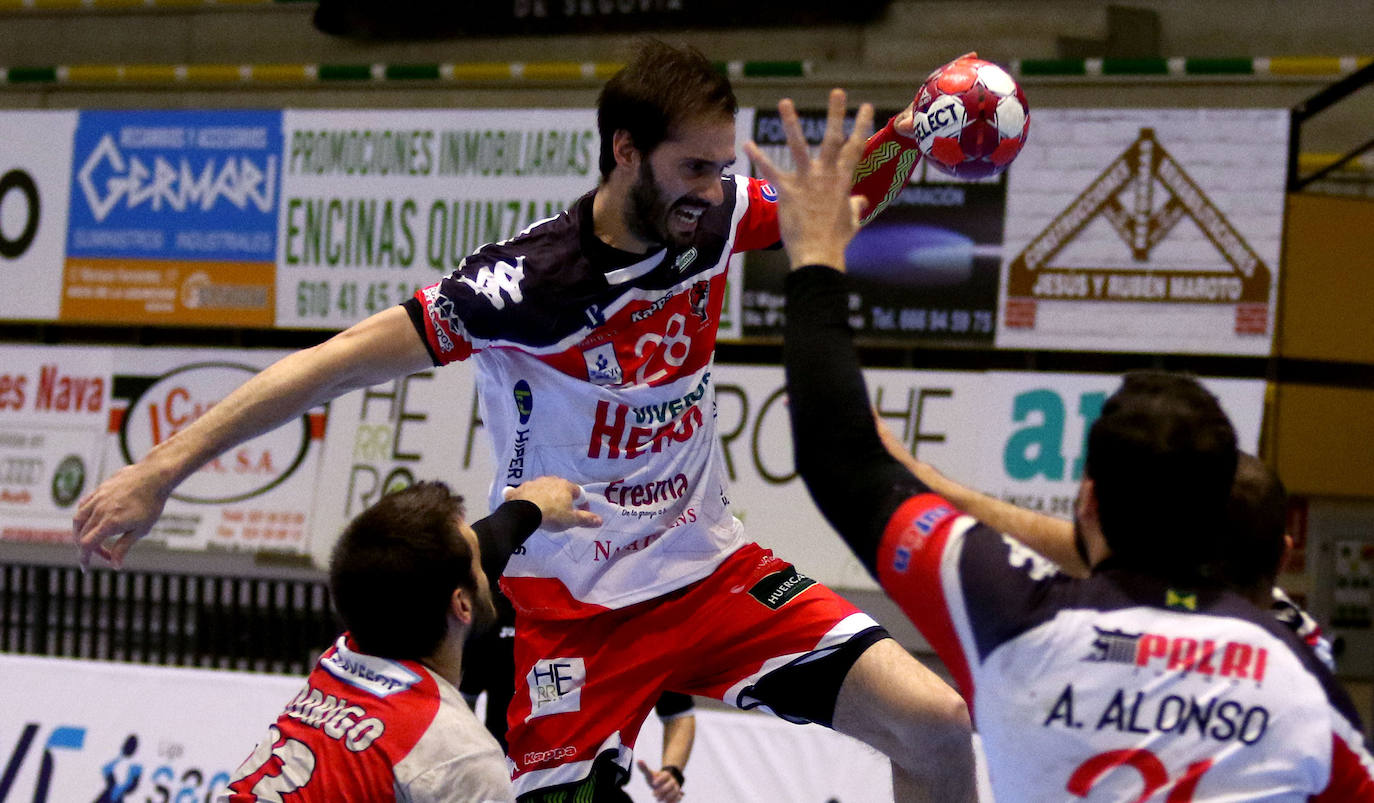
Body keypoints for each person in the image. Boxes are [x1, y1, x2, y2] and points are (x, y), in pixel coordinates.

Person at [75, 41, 974, 801]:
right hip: (564, 614)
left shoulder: (717, 219)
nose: (716, 189)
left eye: (724, 167)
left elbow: (832, 203)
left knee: (935, 722)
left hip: (709, 572)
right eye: (694, 168)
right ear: (625, 151)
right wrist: (160, 470)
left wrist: (921, 127)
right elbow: (328, 366)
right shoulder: (524, 286)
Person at [748, 88, 1374, 799]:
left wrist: (816, 256)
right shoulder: (1297, 674)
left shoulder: (1010, 612)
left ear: (1089, 499)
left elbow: (839, 455)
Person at [221, 476, 599, 802]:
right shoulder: (459, 755)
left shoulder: (347, 652)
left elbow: (432, 562)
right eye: (476, 559)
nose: (486, 559)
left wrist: (528, 507)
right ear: (462, 605)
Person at [878, 429, 1337, 668]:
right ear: (1283, 553)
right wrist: (937, 485)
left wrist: (918, 480)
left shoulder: (1091, 632)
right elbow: (1066, 544)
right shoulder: (1307, 655)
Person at [459, 594, 696, 803]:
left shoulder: (632, 621)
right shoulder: (503, 612)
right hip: (510, 790)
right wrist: (474, 765)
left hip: (601, 792)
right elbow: (460, 703)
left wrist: (672, 771)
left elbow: (679, 713)